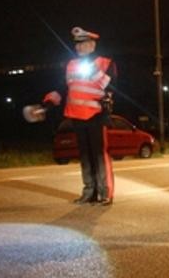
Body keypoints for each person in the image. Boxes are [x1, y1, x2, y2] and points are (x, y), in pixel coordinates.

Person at [43, 26, 118, 206]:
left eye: (82, 44)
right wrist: (49, 100)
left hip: (96, 116)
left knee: (100, 155)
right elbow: (63, 87)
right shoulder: (71, 65)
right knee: (85, 156)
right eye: (76, 45)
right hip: (76, 116)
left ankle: (105, 192)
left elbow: (110, 86)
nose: (77, 48)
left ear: (92, 45)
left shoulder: (106, 63)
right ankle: (89, 192)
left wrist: (91, 69)